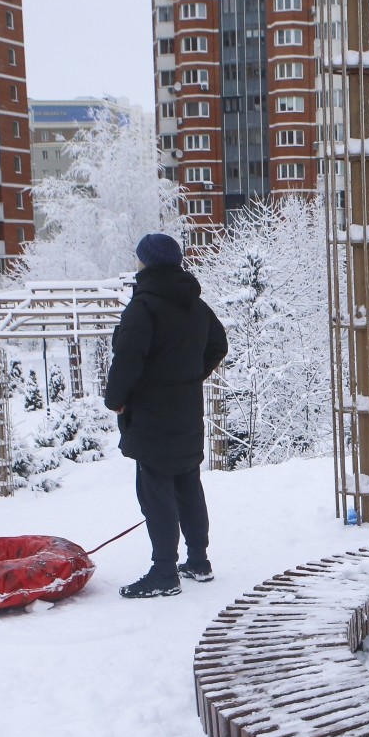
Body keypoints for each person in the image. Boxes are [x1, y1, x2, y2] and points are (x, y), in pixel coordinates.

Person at [104, 232, 228, 599]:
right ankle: (199, 561)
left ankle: (164, 572)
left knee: (155, 490)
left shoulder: (144, 306)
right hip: (186, 410)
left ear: (146, 262)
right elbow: (218, 344)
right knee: (188, 482)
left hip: (152, 414)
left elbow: (128, 358)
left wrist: (116, 399)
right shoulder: (195, 303)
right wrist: (188, 377)